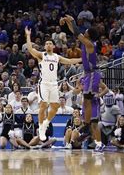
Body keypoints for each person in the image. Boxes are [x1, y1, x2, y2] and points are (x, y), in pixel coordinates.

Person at [25, 27, 82, 142]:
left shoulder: (57, 57)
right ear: (45, 46)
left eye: (50, 43)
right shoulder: (41, 55)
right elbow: (30, 49)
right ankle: (41, 128)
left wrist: (82, 59)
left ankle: (46, 123)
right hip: (44, 84)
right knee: (43, 105)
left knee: (55, 107)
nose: (49, 45)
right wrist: (28, 36)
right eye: (47, 43)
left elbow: (70, 61)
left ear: (53, 46)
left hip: (54, 84)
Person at [62, 15, 109, 152]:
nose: (85, 31)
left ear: (89, 34)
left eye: (86, 31)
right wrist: (67, 22)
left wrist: (72, 21)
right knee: (88, 103)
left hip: (92, 74)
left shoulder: (89, 44)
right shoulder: (85, 42)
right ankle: (93, 135)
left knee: (88, 101)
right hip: (89, 75)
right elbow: (75, 33)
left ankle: (86, 126)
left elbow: (77, 32)